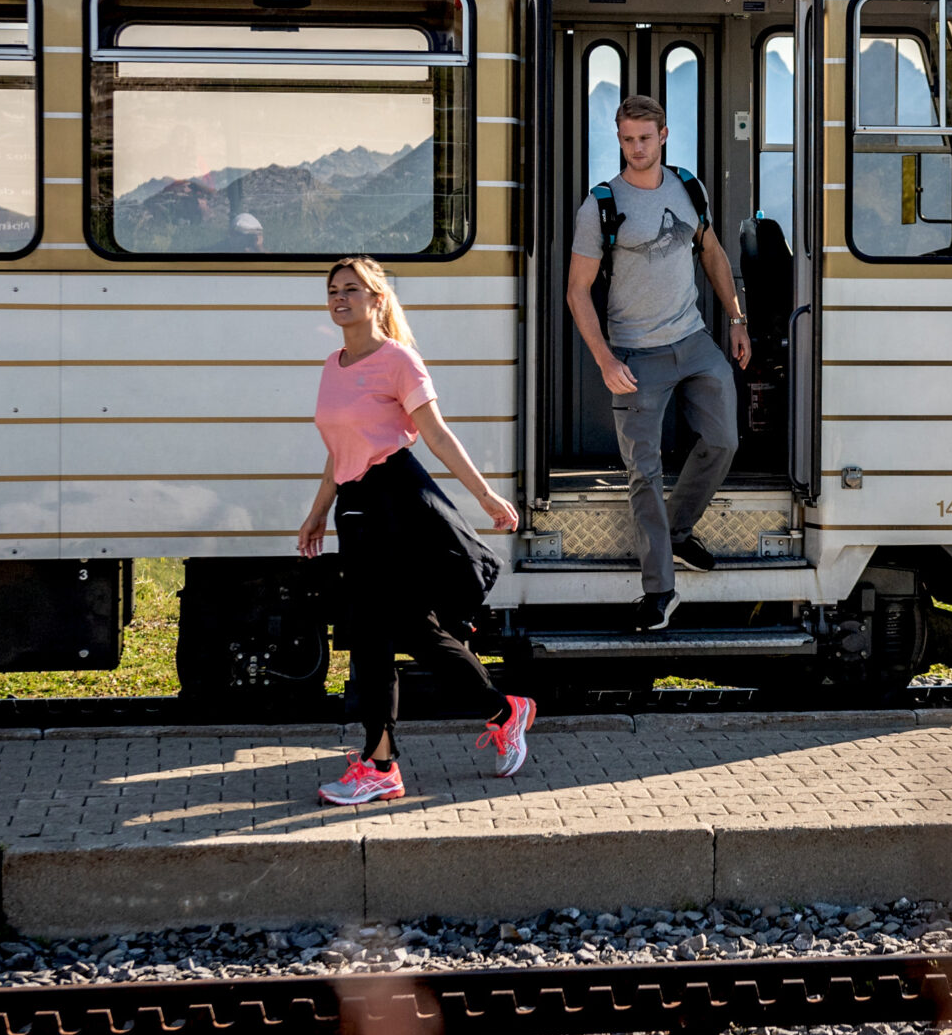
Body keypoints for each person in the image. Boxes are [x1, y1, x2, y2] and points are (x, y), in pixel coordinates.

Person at [297, 255, 533, 804]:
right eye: (334, 290)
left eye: (353, 289)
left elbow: (437, 436)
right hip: (355, 504)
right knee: (410, 628)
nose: (340, 298)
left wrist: (485, 495)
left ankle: (381, 766)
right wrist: (316, 512)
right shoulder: (333, 365)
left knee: (372, 634)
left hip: (395, 501)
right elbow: (340, 452)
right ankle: (504, 710)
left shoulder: (398, 361)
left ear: (377, 299)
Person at [565, 95, 752, 631]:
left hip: (694, 341)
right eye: (627, 139)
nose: (636, 148)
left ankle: (677, 533)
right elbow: (578, 292)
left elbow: (712, 254)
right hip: (634, 354)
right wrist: (603, 359)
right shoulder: (601, 205)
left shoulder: (689, 188)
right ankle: (660, 591)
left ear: (664, 135)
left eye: (645, 138)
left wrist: (735, 319)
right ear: (619, 138)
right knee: (643, 474)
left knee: (723, 441)